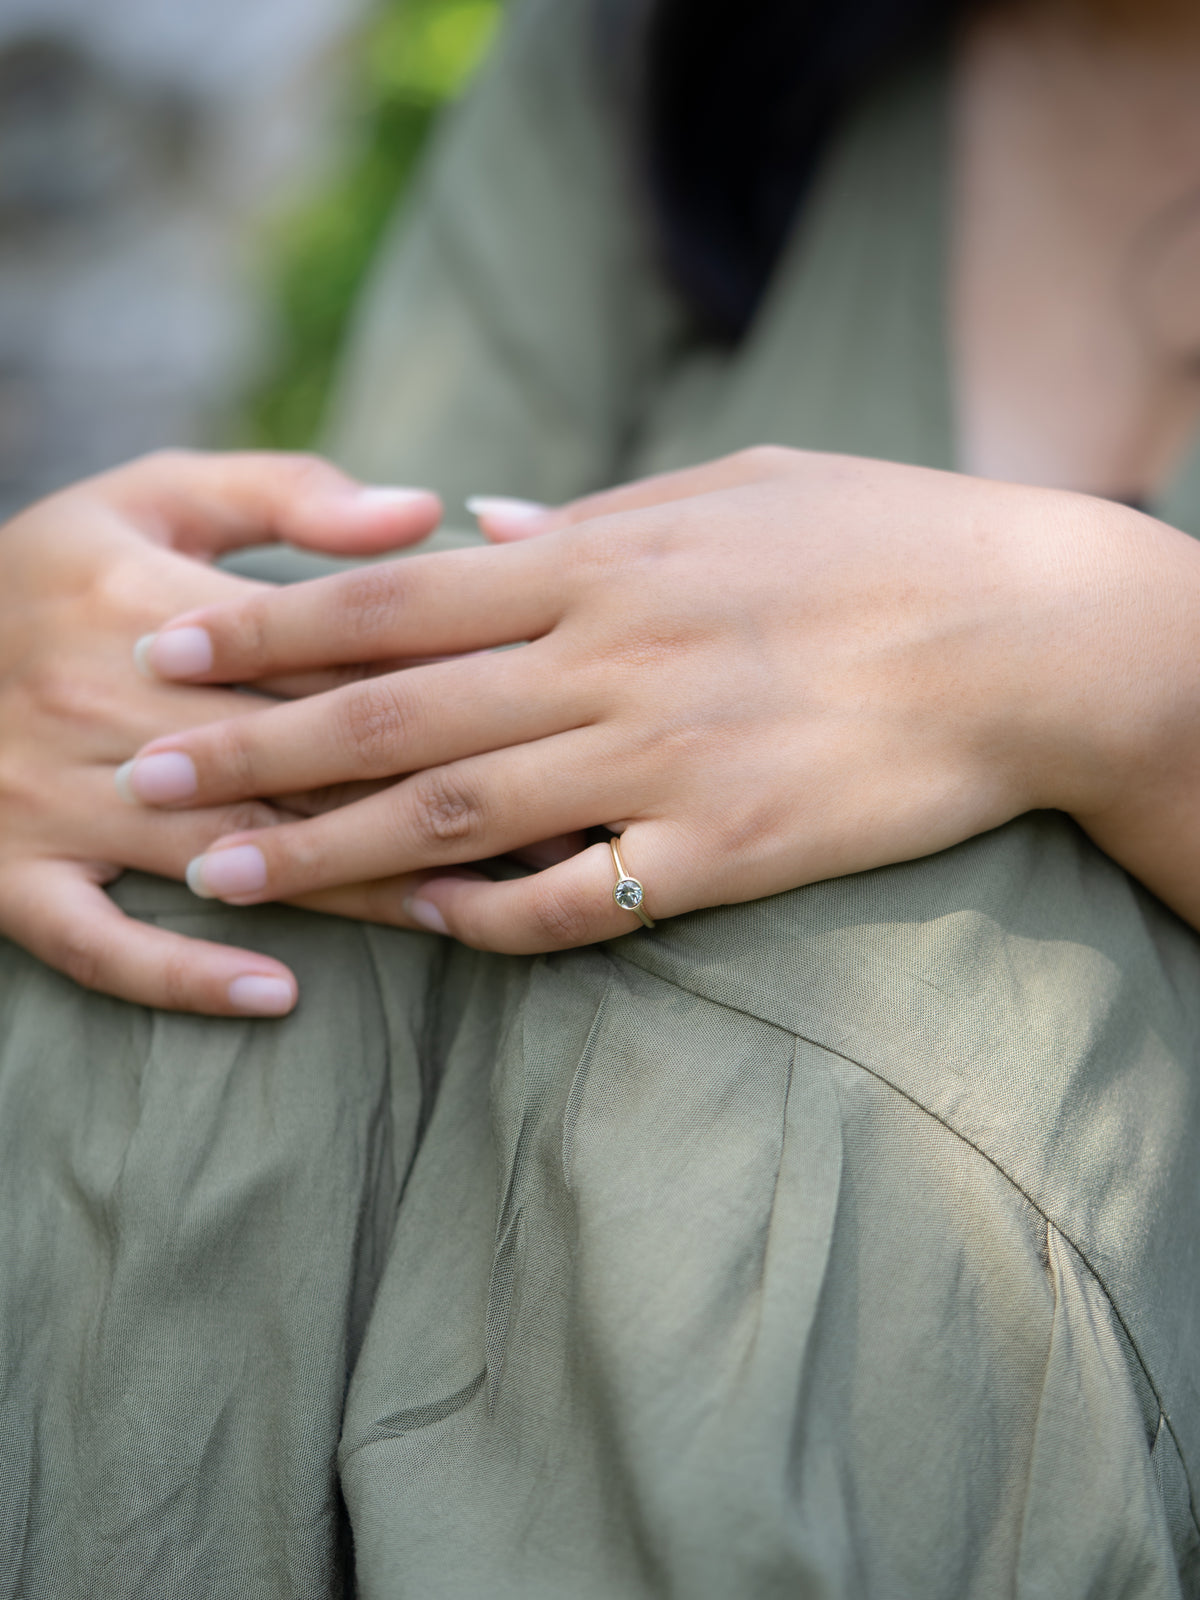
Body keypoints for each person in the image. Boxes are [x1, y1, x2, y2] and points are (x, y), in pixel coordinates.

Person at [1, 0, 1199, 1594]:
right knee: (209, 860)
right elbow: (382, 719)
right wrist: (100, 674)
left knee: (891, 963)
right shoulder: (653, 62)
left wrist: (1106, 658)